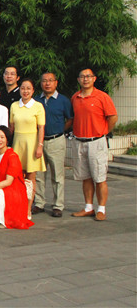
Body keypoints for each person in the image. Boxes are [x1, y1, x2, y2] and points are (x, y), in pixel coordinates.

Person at [70, 68, 117, 221]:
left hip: (96, 142)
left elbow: (113, 117)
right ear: (78, 79)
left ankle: (101, 209)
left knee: (100, 177)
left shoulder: (102, 97)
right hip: (79, 141)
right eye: (82, 77)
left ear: (94, 79)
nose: (85, 79)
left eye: (88, 76)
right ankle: (88, 207)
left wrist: (104, 131)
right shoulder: (75, 97)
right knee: (85, 177)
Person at [33, 72, 73, 217]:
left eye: (50, 80)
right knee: (39, 175)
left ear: (56, 82)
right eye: (44, 81)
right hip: (38, 142)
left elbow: (70, 119)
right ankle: (39, 203)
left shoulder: (63, 100)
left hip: (56, 140)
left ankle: (58, 205)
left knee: (57, 175)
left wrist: (60, 130)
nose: (47, 83)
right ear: (41, 83)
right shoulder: (36, 100)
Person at [9, 78, 45, 219]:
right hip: (17, 144)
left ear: (33, 90)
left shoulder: (38, 106)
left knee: (30, 178)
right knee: (17, 177)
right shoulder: (14, 106)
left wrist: (39, 146)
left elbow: (41, 128)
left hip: (32, 144)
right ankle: (18, 205)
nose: (25, 91)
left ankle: (28, 208)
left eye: (28, 88)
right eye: (23, 88)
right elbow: (11, 128)